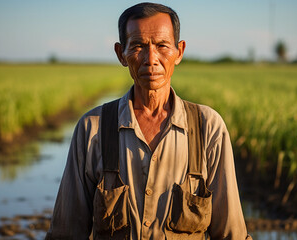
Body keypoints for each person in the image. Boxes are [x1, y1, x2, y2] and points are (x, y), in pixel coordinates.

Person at [46, 2, 252, 240]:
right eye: (138, 46)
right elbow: (66, 233)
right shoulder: (93, 129)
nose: (150, 59)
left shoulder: (208, 127)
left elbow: (230, 234)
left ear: (179, 52)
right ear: (120, 54)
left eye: (162, 45)